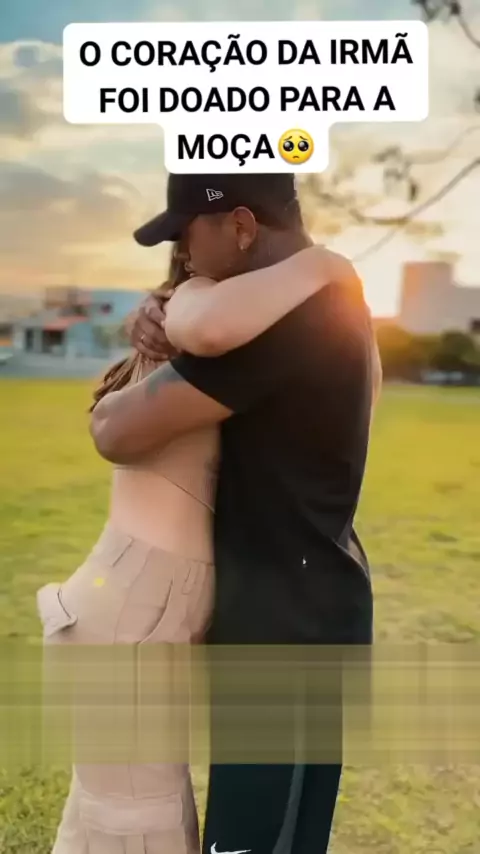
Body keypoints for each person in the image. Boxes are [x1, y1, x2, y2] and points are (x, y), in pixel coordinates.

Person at [90, 172, 382, 854]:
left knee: (252, 844)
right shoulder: (316, 306)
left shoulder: (289, 326)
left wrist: (173, 316)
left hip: (287, 632)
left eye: (188, 237)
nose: (185, 257)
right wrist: (164, 313)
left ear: (243, 226)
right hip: (305, 609)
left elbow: (116, 431)